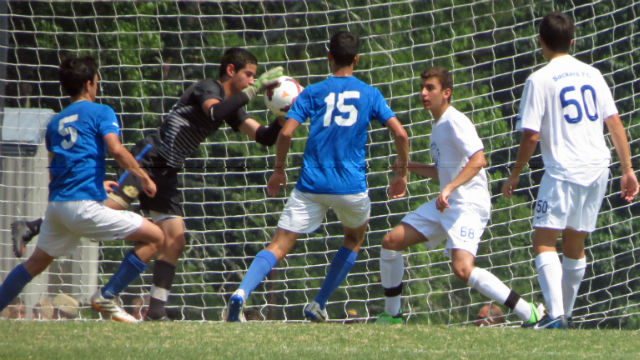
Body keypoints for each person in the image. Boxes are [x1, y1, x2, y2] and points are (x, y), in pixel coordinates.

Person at [10, 48, 285, 321]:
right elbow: (213, 114)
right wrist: (253, 91)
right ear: (230, 71)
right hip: (151, 158)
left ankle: (156, 312)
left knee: (175, 238)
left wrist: (283, 113)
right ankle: (35, 226)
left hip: (169, 170)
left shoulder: (231, 107)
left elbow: (263, 137)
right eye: (249, 75)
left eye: (254, 78)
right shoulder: (208, 88)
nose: (252, 82)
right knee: (107, 209)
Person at [226, 31, 410, 322]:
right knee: (354, 237)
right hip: (350, 186)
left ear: (329, 57)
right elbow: (401, 133)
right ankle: (318, 303)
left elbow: (286, 132)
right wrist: (401, 172)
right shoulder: (370, 93)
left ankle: (241, 293)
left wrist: (278, 171)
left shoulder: (312, 91)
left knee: (279, 244)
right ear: (357, 59)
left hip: (311, 184)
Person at [0, 55, 165, 323]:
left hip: (57, 207)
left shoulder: (55, 123)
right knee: (156, 237)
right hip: (83, 207)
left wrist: (96, 182)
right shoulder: (101, 112)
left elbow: (59, 168)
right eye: (97, 81)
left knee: (35, 264)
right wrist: (143, 177)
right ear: (90, 83)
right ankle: (106, 295)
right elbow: (115, 149)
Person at [376, 66, 543, 326]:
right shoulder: (438, 125)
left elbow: (479, 159)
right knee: (391, 241)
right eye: (422, 88)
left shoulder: (455, 120)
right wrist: (406, 167)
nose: (423, 93)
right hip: (449, 201)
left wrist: (450, 188)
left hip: (468, 204)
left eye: (430, 88)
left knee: (463, 269)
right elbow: (443, 172)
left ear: (447, 93)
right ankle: (392, 315)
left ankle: (528, 311)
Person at [501, 12, 638, 329]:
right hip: (598, 168)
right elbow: (614, 123)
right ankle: (564, 316)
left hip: (564, 170)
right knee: (575, 246)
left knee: (543, 241)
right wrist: (628, 169)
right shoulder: (592, 73)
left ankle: (556, 316)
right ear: (573, 41)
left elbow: (531, 135)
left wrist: (516, 172)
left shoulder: (540, 78)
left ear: (541, 42)